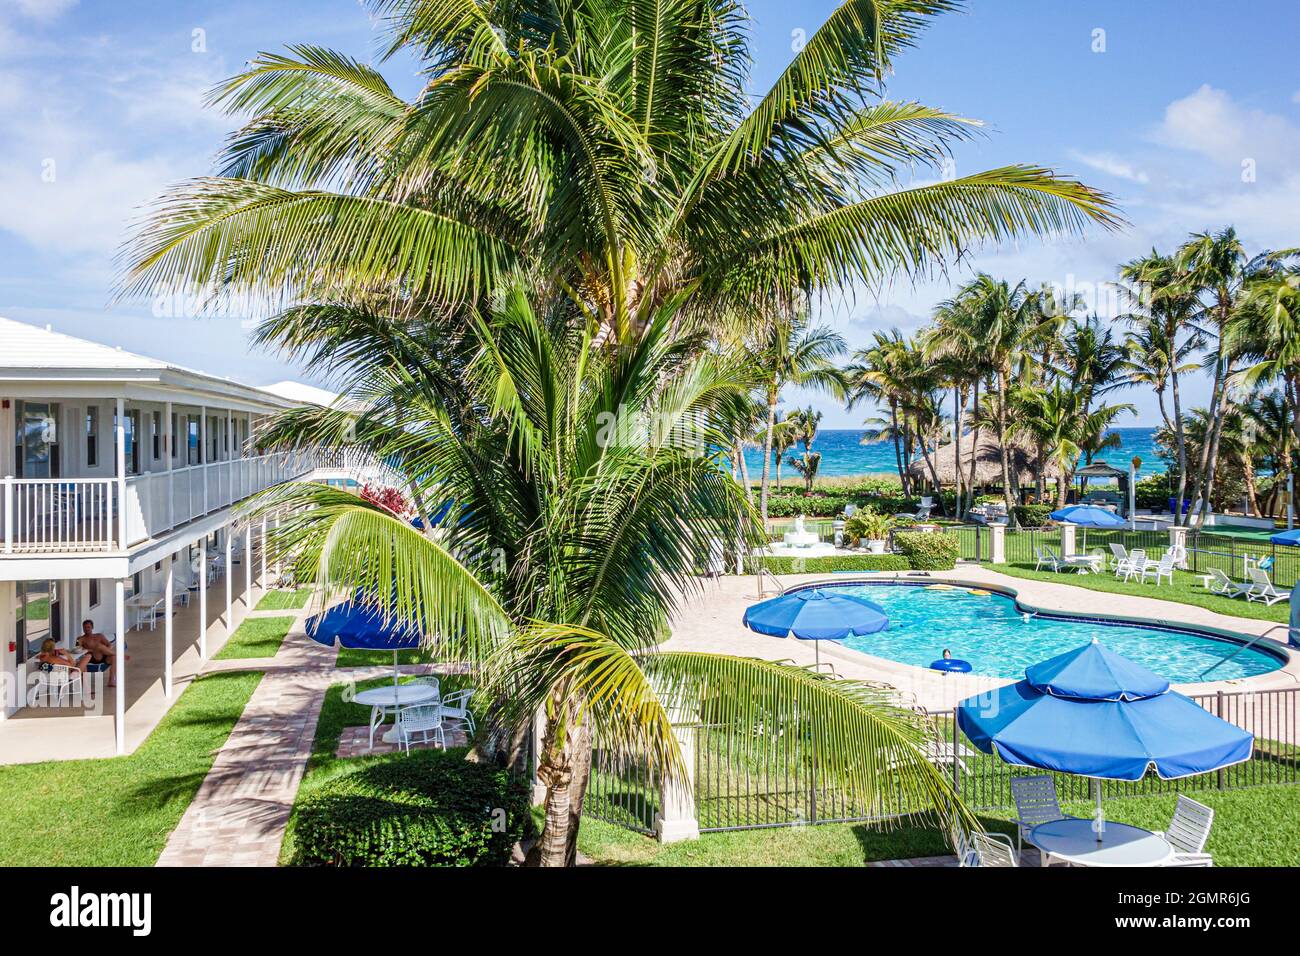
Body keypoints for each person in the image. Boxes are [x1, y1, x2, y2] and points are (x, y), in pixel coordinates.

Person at [75, 620, 118, 688]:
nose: (86, 629)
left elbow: (109, 644)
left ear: (92, 627)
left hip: (103, 656)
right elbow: (78, 650)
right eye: (85, 627)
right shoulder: (81, 639)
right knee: (98, 647)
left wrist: (106, 650)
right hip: (91, 657)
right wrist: (89, 649)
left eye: (88, 627)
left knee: (114, 656)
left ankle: (112, 679)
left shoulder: (99, 636)